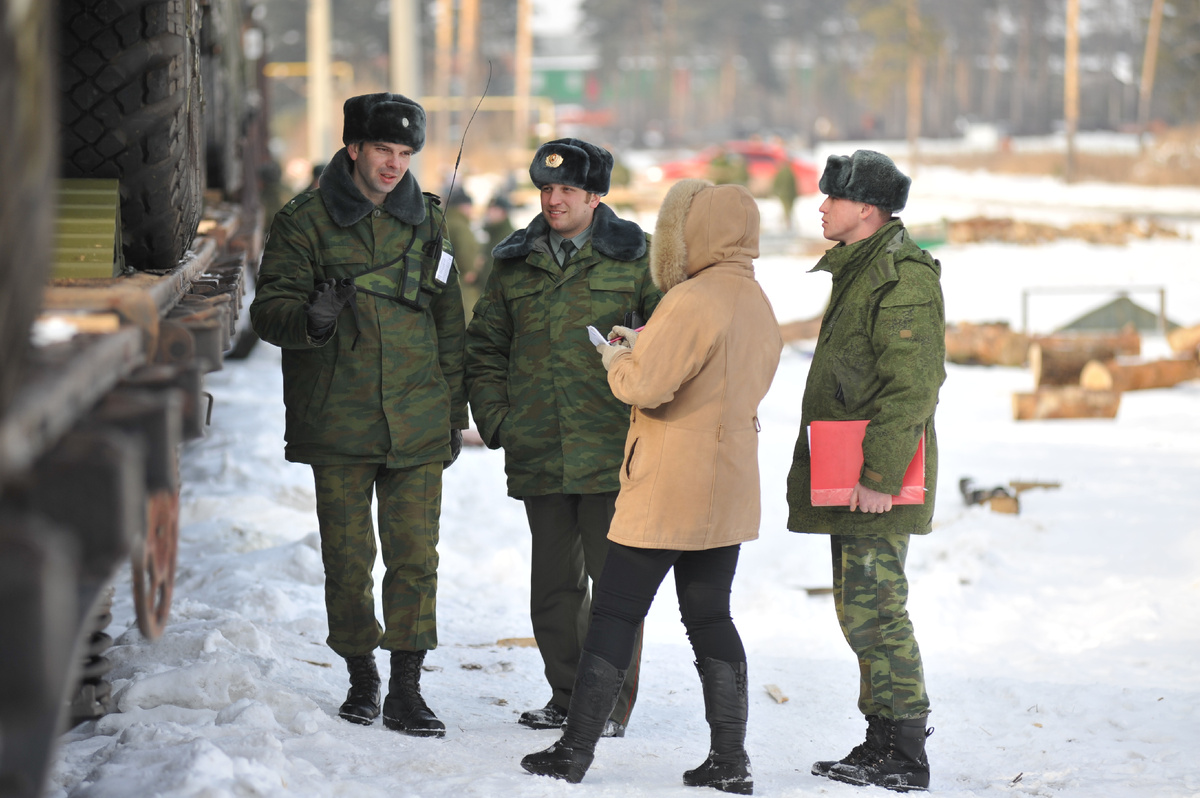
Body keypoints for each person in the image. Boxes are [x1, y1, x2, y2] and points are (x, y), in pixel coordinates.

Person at [520, 178, 782, 793]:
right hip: (729, 482)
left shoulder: (691, 299)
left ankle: (574, 751)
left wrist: (620, 357)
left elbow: (644, 386)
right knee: (710, 615)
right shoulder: (754, 299)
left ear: (696, 231)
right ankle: (730, 758)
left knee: (613, 609)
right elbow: (717, 373)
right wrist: (648, 346)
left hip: (669, 481)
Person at [250, 92, 467, 739]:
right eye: (383, 150)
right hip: (338, 420)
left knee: (415, 557)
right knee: (348, 558)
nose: (394, 164)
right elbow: (268, 312)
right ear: (354, 149)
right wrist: (309, 318)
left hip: (417, 418)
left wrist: (454, 411)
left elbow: (448, 320)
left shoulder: (428, 223)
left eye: (404, 153)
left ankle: (406, 686)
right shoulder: (305, 222)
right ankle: (360, 676)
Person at [465, 138, 661, 738]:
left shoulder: (637, 258)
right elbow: (485, 346)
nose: (554, 200)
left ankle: (606, 705)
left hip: (612, 452)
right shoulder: (514, 261)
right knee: (552, 588)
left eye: (567, 190)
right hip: (540, 449)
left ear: (596, 195)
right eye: (546, 189)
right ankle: (567, 693)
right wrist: (499, 420)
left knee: (615, 589)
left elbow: (668, 347)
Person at [784, 150, 945, 791]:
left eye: (832, 199)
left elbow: (912, 386)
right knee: (859, 611)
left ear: (867, 210)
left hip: (876, 479)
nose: (821, 207)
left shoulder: (902, 276)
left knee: (879, 609)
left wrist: (879, 477)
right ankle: (881, 738)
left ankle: (906, 752)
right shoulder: (860, 269)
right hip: (851, 474)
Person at [443, 187, 480, 319]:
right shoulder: (461, 226)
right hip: (460, 282)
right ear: (463, 206)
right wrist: (470, 269)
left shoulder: (444, 221)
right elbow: (465, 250)